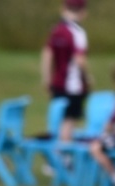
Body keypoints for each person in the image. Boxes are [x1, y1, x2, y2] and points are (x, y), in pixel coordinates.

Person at [42, 0, 89, 143]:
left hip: (58, 82)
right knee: (69, 121)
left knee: (58, 119)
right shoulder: (77, 32)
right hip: (73, 85)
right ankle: (64, 152)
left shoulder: (56, 30)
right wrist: (87, 77)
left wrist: (47, 78)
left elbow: (47, 55)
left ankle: (57, 150)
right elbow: (79, 60)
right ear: (82, 12)